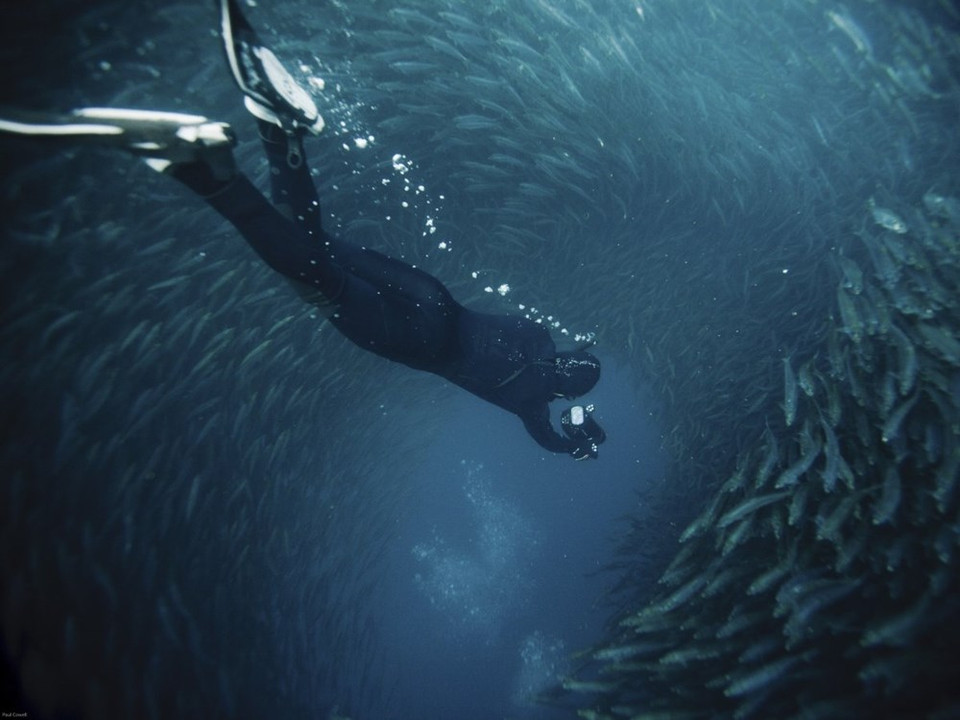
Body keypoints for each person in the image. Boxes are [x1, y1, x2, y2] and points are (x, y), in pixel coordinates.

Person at [0, 0, 606, 460]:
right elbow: (550, 441)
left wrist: (571, 397)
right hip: (419, 342)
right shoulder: (533, 403)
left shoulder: (538, 337)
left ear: (572, 357)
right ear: (568, 396)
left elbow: (554, 369)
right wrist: (580, 441)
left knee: (316, 245)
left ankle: (278, 128)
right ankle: (205, 171)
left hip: (434, 298)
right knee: (316, 279)